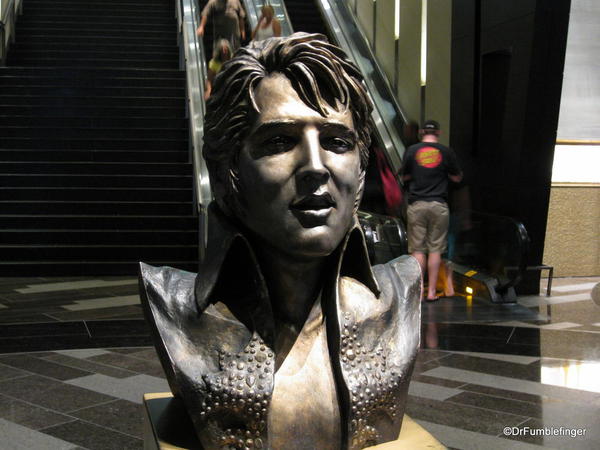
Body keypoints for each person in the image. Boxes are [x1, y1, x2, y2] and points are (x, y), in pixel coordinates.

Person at [140, 33, 421, 449]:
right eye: (279, 141)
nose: (315, 167)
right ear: (225, 173)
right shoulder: (168, 302)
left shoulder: (403, 293)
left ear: (361, 172)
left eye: (337, 142)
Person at [401, 120, 462, 301]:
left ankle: (419, 292)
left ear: (421, 132)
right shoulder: (446, 152)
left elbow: (404, 176)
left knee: (418, 250)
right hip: (439, 205)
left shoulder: (412, 151)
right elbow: (457, 177)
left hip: (417, 204)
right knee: (436, 249)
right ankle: (432, 292)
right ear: (439, 133)